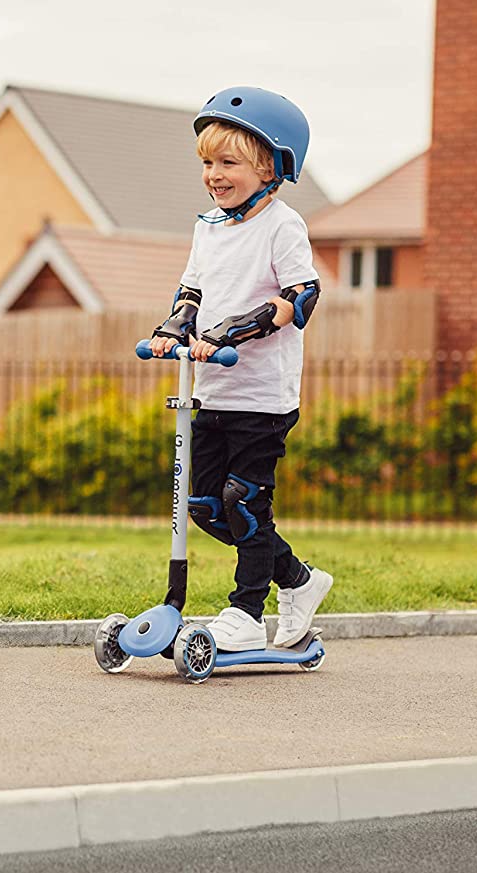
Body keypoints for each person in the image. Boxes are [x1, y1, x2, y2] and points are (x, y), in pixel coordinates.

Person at [147, 86, 332, 652]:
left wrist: (235, 330)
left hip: (263, 398)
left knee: (244, 500)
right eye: (207, 162)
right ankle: (299, 580)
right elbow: (193, 289)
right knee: (204, 504)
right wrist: (175, 329)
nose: (214, 174)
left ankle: (247, 611)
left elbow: (301, 296)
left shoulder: (282, 225)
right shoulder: (209, 226)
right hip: (213, 388)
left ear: (272, 166)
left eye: (228, 162)